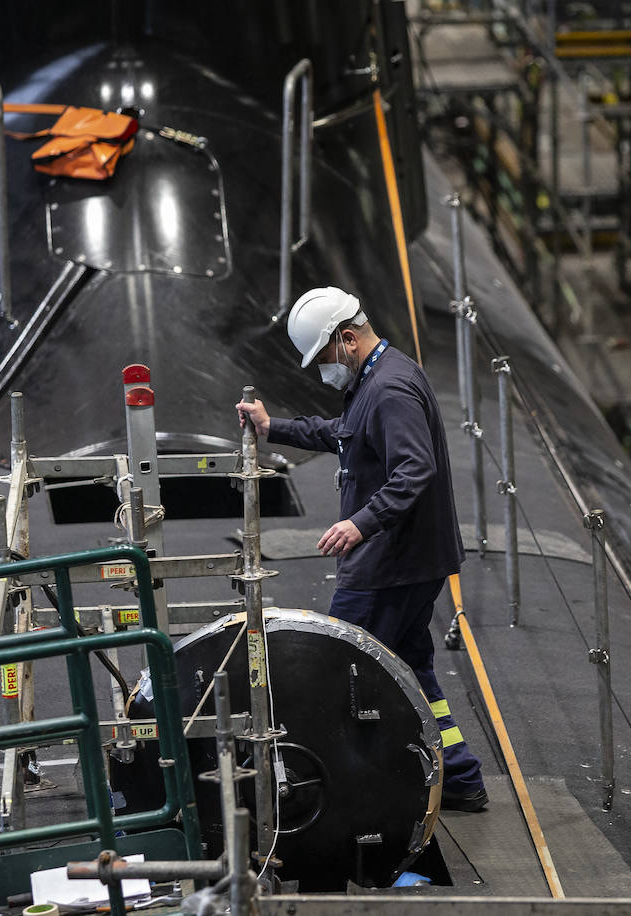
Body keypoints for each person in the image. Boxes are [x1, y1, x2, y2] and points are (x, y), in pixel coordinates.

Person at [236, 286, 487, 812]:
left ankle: (347, 794)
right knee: (413, 672)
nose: (322, 369)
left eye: (324, 357)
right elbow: (343, 434)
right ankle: (459, 776)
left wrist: (359, 523)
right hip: (408, 561)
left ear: (347, 340)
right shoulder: (379, 377)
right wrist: (272, 427)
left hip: (390, 565)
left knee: (339, 669)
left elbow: (415, 468)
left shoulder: (390, 389)